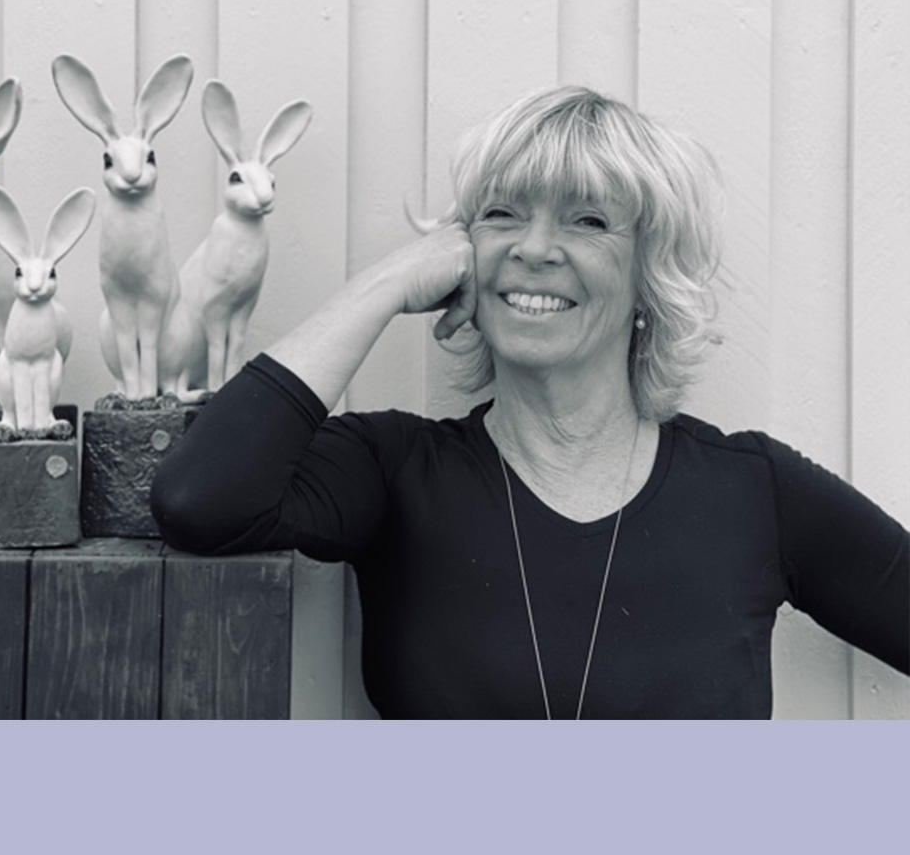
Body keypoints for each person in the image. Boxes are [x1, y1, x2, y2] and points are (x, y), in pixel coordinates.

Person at [151, 87, 909, 719]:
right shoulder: (396, 470)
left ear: (649, 277)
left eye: (588, 220)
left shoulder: (755, 492)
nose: (535, 248)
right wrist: (385, 285)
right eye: (503, 214)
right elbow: (199, 499)